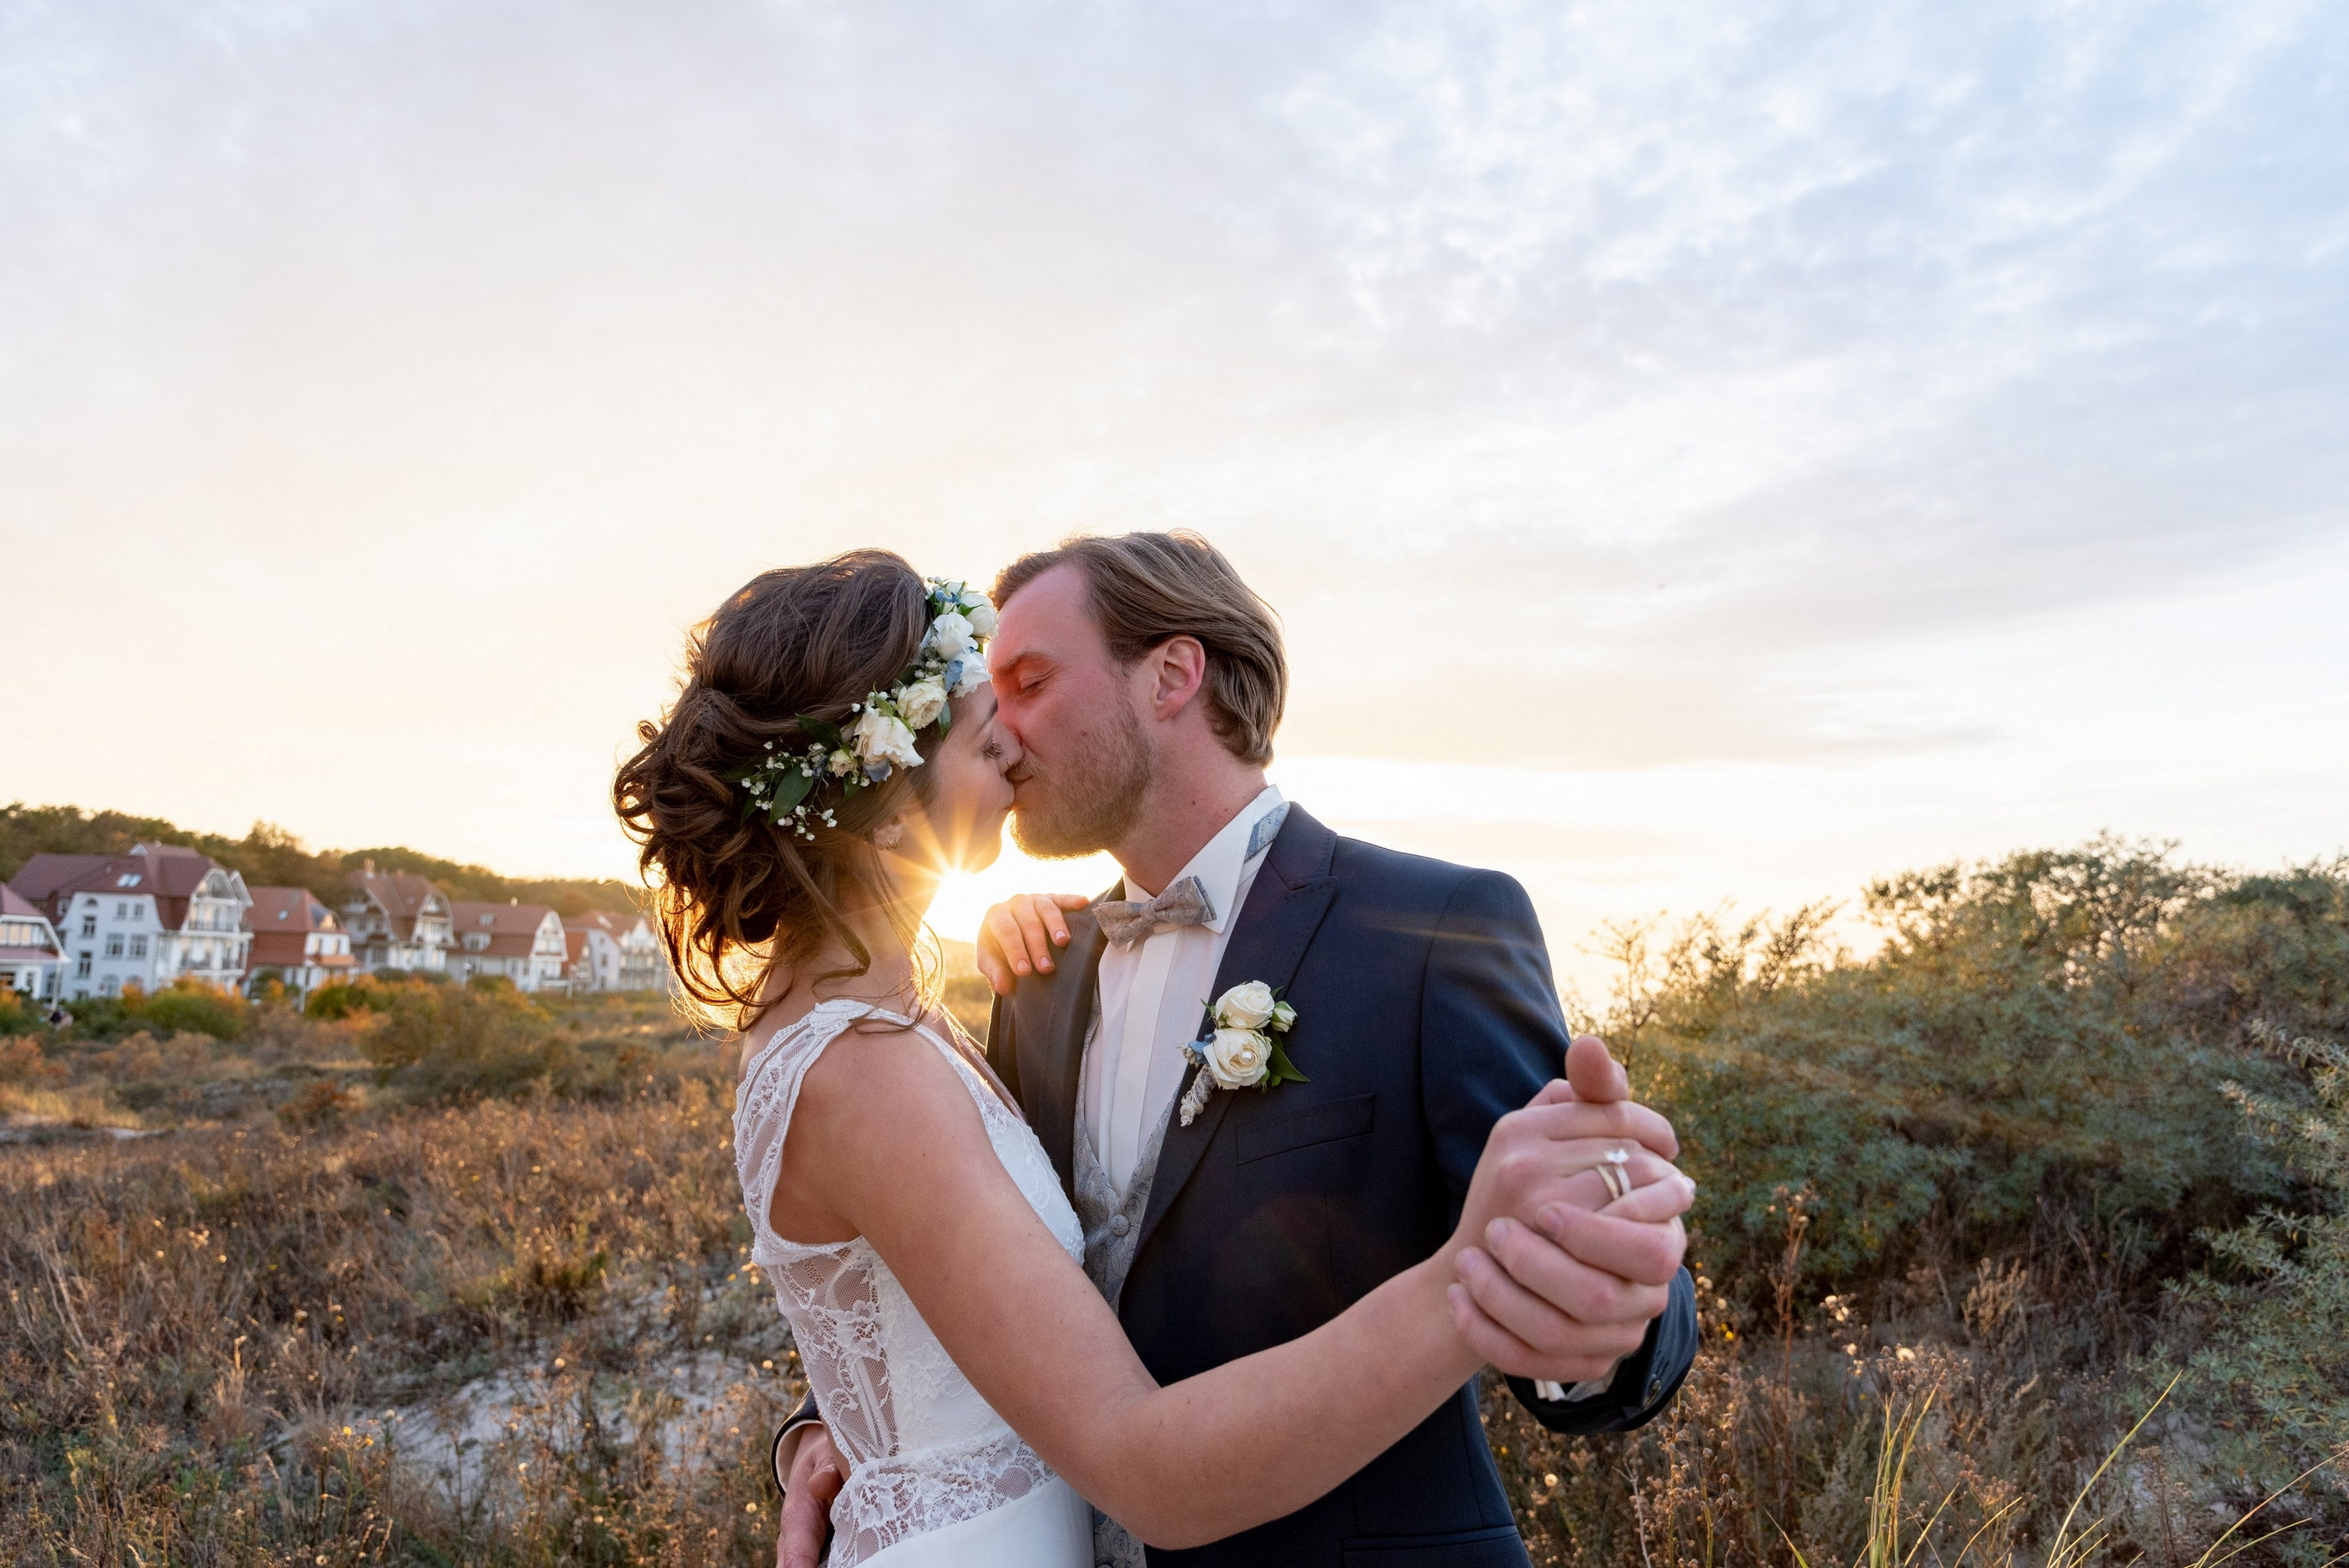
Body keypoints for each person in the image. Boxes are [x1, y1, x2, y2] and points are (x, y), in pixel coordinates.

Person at [618, 544, 1695, 1568]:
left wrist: (1586, 1289)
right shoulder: (1032, 982)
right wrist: (838, 1424)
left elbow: (1577, 1239)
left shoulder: (1431, 928)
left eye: (1028, 681)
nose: (1001, 726)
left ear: (1173, 674)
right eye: (979, 699)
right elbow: (953, 1280)